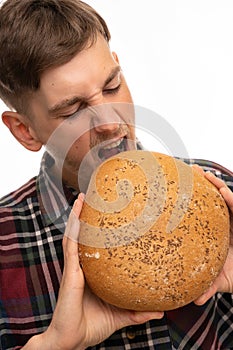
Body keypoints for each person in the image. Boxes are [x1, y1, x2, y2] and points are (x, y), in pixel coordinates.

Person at [0, 0, 232, 349]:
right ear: (25, 131)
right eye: (73, 109)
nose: (111, 123)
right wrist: (56, 344)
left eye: (112, 86)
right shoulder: (5, 247)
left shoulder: (218, 192)